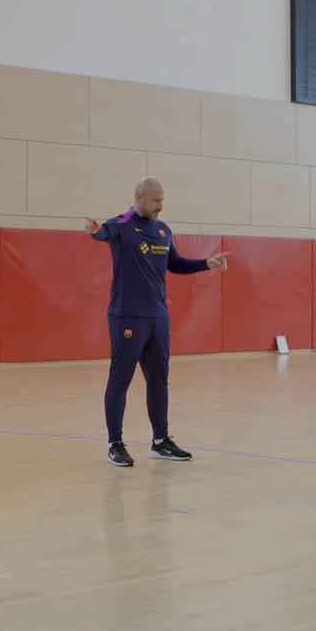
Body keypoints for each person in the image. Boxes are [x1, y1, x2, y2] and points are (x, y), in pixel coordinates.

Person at [85, 177, 230, 467]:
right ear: (139, 197)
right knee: (120, 379)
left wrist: (206, 264)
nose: (161, 206)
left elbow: (175, 264)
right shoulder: (122, 225)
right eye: (156, 200)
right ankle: (115, 444)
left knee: (159, 379)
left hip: (158, 318)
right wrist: (97, 231)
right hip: (127, 316)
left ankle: (161, 441)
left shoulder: (163, 230)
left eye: (162, 200)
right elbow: (105, 233)